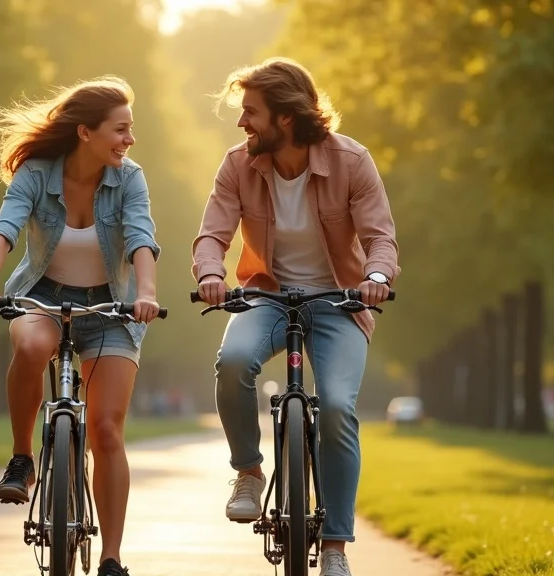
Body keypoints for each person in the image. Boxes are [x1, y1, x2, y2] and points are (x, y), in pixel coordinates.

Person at [191, 57, 399, 576]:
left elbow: (379, 238)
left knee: (335, 409)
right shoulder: (238, 163)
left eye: (251, 112)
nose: (242, 123)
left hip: (340, 300)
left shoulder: (351, 161)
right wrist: (210, 274)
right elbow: (213, 233)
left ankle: (334, 548)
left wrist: (375, 279)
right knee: (234, 360)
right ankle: (248, 472)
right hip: (266, 294)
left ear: (285, 118)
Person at [0, 76, 161, 576]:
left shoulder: (130, 178)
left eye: (130, 130)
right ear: (85, 133)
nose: (129, 140)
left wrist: (146, 292)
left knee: (105, 431)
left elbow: (141, 235)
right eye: (120, 130)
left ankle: (112, 557)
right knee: (32, 345)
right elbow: (6, 226)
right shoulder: (36, 173)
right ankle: (21, 459)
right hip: (43, 294)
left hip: (111, 305)